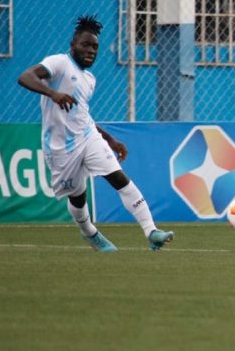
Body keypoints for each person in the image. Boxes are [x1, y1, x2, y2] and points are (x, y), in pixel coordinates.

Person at [17, 15, 174, 252]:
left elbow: (81, 114)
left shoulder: (89, 79)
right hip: (60, 147)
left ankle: (152, 231)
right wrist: (53, 94)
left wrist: (109, 138)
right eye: (86, 45)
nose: (91, 50)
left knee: (118, 177)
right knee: (77, 196)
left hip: (87, 136)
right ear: (73, 45)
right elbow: (25, 76)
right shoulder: (59, 63)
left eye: (95, 47)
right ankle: (89, 232)